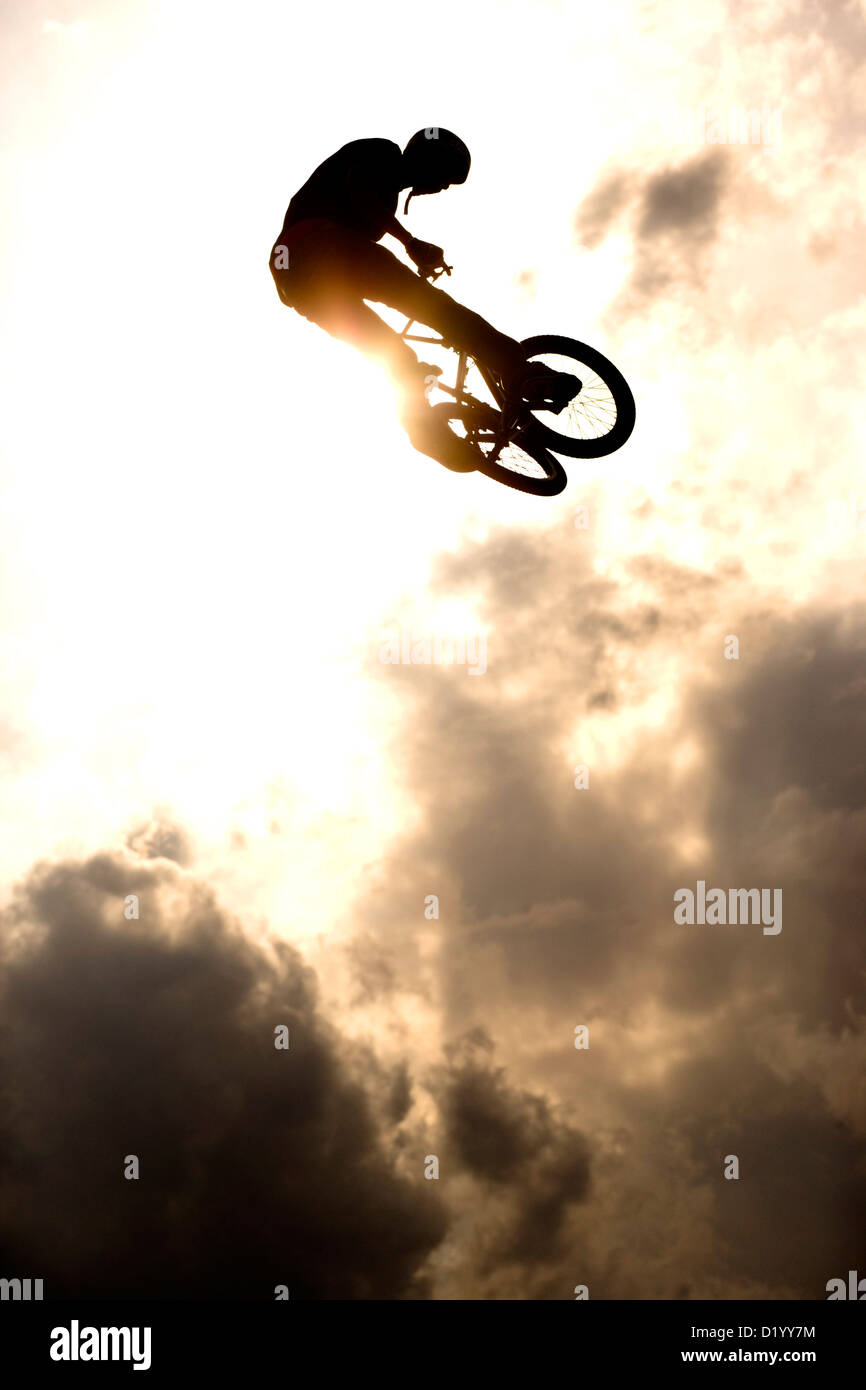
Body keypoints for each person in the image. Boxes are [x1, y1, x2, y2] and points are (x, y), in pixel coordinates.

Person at [269, 129, 579, 471]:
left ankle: (426, 431)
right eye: (444, 176)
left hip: (296, 280)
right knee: (442, 312)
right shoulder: (381, 152)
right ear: (427, 158)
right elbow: (359, 190)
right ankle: (522, 374)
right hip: (316, 245)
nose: (441, 187)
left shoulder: (385, 199)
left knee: (394, 356)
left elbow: (363, 239)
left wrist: (408, 259)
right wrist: (409, 242)